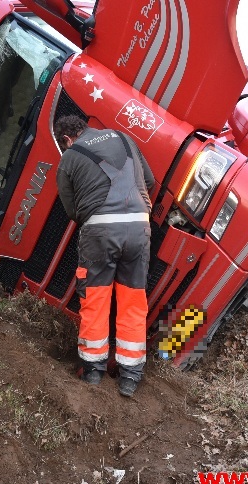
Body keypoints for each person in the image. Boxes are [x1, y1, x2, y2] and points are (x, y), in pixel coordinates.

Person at [53, 115, 155, 397]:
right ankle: (130, 377)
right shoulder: (124, 138)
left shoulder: (70, 157)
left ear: (67, 140)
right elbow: (150, 181)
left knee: (96, 300)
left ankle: (93, 372)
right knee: (133, 300)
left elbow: (73, 211)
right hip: (139, 229)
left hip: (99, 233)